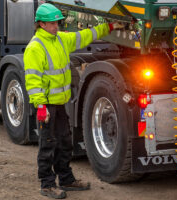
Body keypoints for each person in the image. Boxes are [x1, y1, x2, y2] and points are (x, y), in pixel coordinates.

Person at [24, 3, 121, 199]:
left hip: (60, 103)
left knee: (65, 141)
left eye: (57, 22)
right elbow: (33, 80)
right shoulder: (35, 47)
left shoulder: (60, 39)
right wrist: (41, 106)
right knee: (48, 144)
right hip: (47, 105)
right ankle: (47, 184)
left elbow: (85, 36)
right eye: (52, 23)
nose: (56, 26)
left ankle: (66, 179)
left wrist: (109, 27)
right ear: (41, 24)